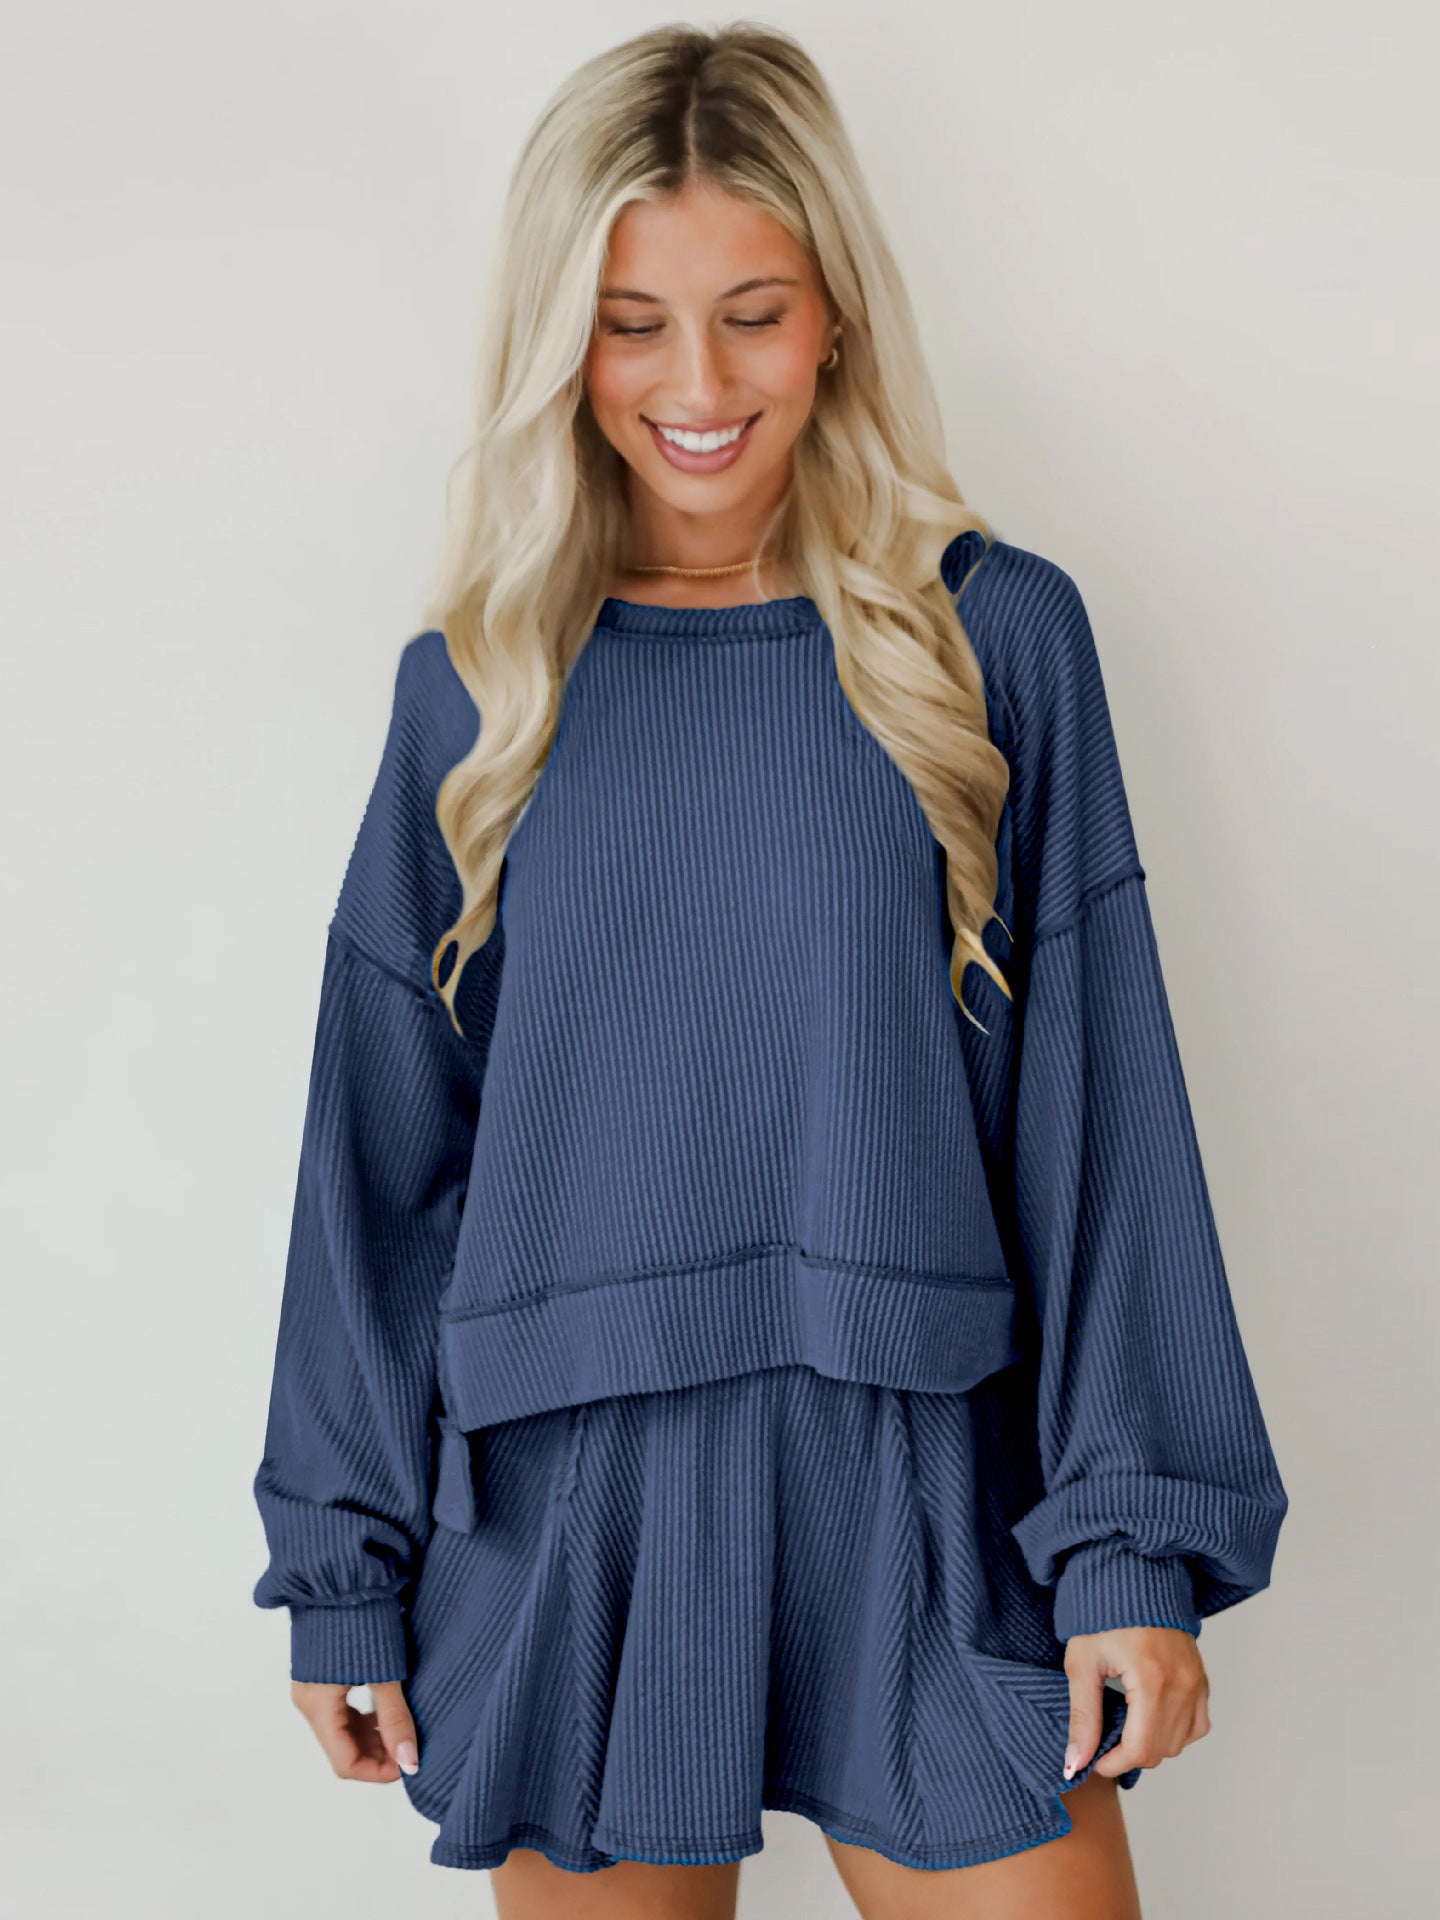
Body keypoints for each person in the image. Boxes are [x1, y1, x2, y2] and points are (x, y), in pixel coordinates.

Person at [249, 22, 1289, 1919]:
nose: (698, 384)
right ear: (560, 342)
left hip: (922, 1483)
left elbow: (1101, 1118)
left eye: (753, 315)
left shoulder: (992, 643)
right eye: (631, 324)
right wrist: (343, 1567)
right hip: (571, 1501)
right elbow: (378, 1160)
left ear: (838, 323)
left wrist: (1130, 1543)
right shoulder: (479, 691)